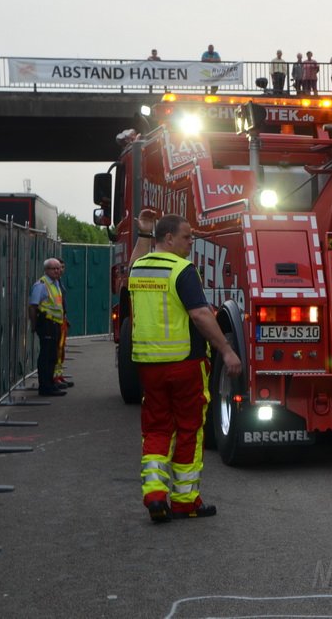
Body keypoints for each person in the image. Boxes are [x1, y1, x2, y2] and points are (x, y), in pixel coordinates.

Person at [129, 209, 242, 523]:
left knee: (155, 428)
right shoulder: (182, 269)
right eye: (187, 236)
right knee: (190, 430)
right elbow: (200, 314)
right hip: (184, 363)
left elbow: (134, 260)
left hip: (148, 365)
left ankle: (154, 496)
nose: (191, 242)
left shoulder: (139, 268)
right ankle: (184, 500)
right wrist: (226, 349)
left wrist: (143, 232)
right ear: (169, 238)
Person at [28, 258, 66, 396]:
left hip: (55, 323)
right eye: (53, 268)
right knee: (46, 356)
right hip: (46, 323)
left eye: (58, 268)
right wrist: (34, 325)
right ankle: (44, 387)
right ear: (46, 270)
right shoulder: (41, 285)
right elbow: (33, 306)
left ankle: (51, 384)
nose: (57, 271)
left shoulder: (56, 283)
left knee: (53, 356)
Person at [53, 258, 74, 389]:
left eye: (62, 267)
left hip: (62, 320)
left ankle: (59, 376)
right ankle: (55, 377)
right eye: (58, 267)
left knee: (61, 350)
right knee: (56, 350)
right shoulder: (51, 284)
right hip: (55, 321)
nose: (60, 270)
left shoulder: (59, 282)